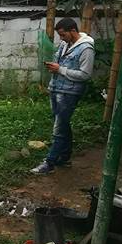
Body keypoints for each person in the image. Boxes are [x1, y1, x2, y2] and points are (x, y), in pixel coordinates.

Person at [31, 18, 95, 175]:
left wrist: (60, 70)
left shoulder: (86, 49)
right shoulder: (66, 44)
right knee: (62, 124)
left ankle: (49, 163)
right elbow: (59, 63)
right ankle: (65, 157)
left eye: (63, 35)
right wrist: (53, 67)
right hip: (56, 88)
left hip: (69, 92)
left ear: (73, 31)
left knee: (59, 127)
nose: (61, 38)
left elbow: (85, 74)